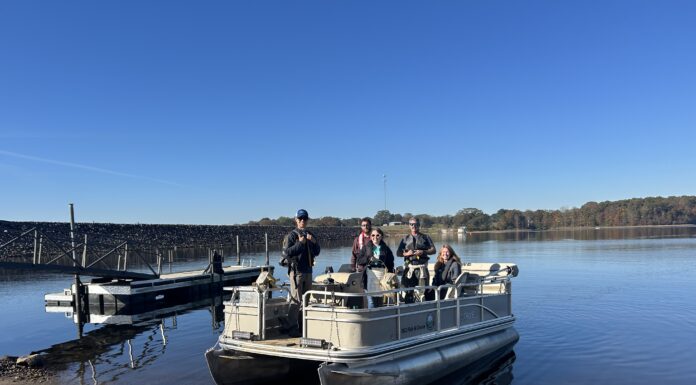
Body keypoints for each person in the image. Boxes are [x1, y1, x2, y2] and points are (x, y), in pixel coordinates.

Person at [281, 209, 320, 336]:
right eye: (300, 219)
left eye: (305, 219)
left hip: (308, 270)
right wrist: (301, 243)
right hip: (297, 271)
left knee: (307, 300)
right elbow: (287, 252)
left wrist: (313, 242)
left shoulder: (310, 234)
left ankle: (303, 326)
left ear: (307, 220)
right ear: (296, 220)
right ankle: (291, 327)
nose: (302, 221)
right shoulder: (292, 235)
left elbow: (317, 251)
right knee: (296, 300)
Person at [396, 217, 436, 302]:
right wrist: (407, 254)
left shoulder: (426, 237)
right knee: (408, 291)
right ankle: (408, 309)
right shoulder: (405, 239)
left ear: (419, 225)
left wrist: (423, 252)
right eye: (412, 224)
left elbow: (433, 250)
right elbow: (398, 253)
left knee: (423, 292)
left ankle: (423, 309)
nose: (414, 226)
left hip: (422, 269)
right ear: (409, 225)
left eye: (416, 224)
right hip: (409, 269)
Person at [357, 228, 394, 307]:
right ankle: (372, 316)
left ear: (381, 236)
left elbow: (390, 263)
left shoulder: (386, 249)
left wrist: (390, 276)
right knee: (371, 300)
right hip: (369, 275)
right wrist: (368, 259)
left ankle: (379, 316)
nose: (375, 237)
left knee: (380, 299)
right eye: (373, 235)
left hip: (381, 276)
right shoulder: (366, 247)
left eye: (378, 235)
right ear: (370, 236)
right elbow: (359, 260)